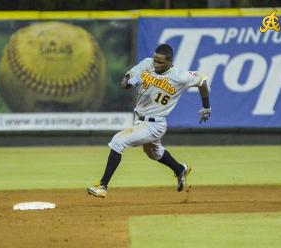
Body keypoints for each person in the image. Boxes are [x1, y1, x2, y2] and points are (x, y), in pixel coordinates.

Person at [87, 44, 211, 198]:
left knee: (118, 141)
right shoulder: (147, 64)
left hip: (155, 124)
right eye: (155, 60)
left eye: (160, 62)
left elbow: (202, 80)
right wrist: (129, 81)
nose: (156, 64)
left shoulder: (180, 76)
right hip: (139, 120)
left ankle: (103, 186)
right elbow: (124, 82)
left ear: (170, 61)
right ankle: (180, 169)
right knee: (154, 153)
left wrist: (206, 107)